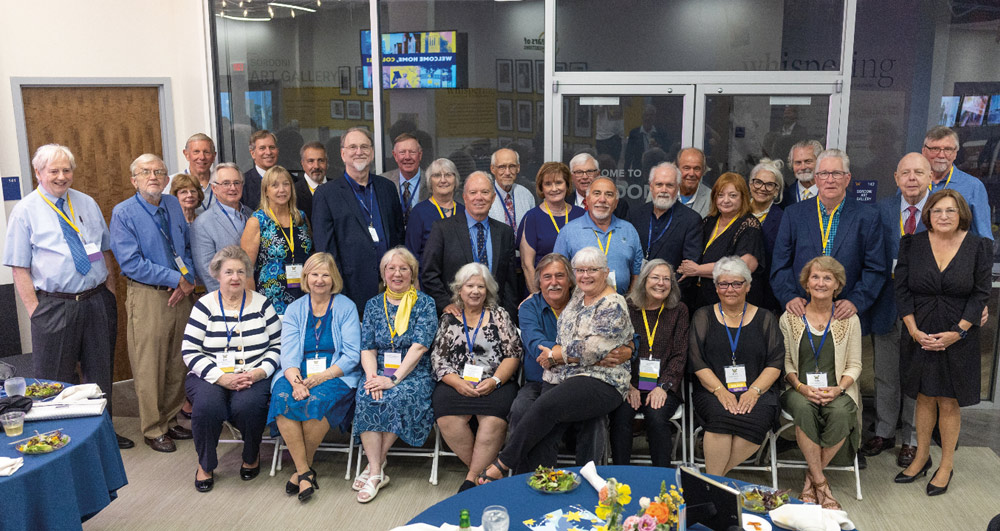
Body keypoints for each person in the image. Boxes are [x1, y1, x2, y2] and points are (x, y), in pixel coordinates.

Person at [3, 144, 133, 449]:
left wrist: (110, 295)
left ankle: (102, 435)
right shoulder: (25, 210)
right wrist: (36, 311)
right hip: (54, 305)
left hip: (96, 300)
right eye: (54, 171)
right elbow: (19, 269)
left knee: (99, 374)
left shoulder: (85, 203)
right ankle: (58, 438)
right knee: (53, 381)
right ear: (38, 173)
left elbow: (102, 252)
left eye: (67, 170)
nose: (62, 176)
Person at [478, 247, 633, 482]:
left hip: (599, 378)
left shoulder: (612, 304)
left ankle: (503, 464)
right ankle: (536, 484)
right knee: (543, 423)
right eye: (580, 270)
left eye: (593, 270)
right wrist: (570, 354)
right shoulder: (577, 297)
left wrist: (560, 354)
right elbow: (546, 345)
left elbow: (597, 346)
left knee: (547, 408)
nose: (586, 275)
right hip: (557, 375)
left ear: (606, 272)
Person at [894, 190, 990, 496]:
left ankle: (946, 464)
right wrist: (912, 329)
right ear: (928, 215)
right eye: (937, 211)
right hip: (919, 331)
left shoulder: (979, 246)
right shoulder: (912, 243)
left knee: (948, 400)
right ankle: (921, 456)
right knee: (923, 396)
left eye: (950, 210)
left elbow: (980, 293)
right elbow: (902, 290)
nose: (944, 216)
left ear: (961, 213)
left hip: (958, 335)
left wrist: (959, 332)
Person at [110, 153, 196, 452]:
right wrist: (177, 279)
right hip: (148, 295)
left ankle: (171, 419)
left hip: (181, 294)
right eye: (146, 172)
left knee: (177, 361)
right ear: (134, 179)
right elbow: (131, 263)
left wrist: (188, 279)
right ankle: (153, 428)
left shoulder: (172, 204)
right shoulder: (123, 213)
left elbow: (185, 246)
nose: (154, 176)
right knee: (149, 365)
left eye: (159, 171)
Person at [180, 246, 280, 493]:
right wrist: (221, 377)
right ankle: (206, 464)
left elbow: (278, 346)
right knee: (207, 406)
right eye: (229, 272)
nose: (235, 277)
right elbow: (189, 351)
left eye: (240, 272)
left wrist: (259, 373)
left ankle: (251, 454)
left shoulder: (262, 304)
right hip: (209, 376)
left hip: (253, 375)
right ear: (217, 275)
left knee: (247, 406)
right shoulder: (204, 306)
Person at [267, 252, 361, 502]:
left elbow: (352, 355)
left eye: (325, 275)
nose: (320, 280)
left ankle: (300, 471)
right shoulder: (295, 308)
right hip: (297, 373)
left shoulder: (346, 307)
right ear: (305, 278)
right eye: (314, 274)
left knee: (315, 402)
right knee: (284, 398)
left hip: (336, 374)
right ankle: (305, 472)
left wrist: (320, 378)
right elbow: (287, 355)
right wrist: (296, 382)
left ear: (334, 279)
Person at [352, 247, 438, 503]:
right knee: (368, 396)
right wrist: (372, 378)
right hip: (377, 370)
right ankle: (378, 467)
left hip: (413, 372)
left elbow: (420, 346)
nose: (397, 274)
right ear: (383, 273)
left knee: (397, 398)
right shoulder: (373, 304)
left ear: (412, 274)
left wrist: (393, 379)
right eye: (391, 268)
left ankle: (374, 469)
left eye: (403, 269)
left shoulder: (425, 303)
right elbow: (367, 346)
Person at [770, 149, 885, 336]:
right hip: (802, 314)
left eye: (836, 174)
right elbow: (780, 264)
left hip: (845, 316)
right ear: (816, 178)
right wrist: (789, 297)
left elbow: (875, 268)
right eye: (824, 174)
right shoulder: (794, 214)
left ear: (847, 179)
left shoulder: (867, 217)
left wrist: (855, 301)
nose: (830, 180)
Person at [430, 263, 523, 493]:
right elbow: (438, 360)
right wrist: (458, 383)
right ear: (459, 290)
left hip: (495, 382)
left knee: (493, 417)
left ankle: (471, 479)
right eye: (469, 286)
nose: (475, 291)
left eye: (480, 286)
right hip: (455, 382)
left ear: (488, 290)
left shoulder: (500, 315)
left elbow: (514, 354)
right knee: (446, 415)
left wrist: (495, 381)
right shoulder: (449, 318)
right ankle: (486, 473)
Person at [779, 256, 862, 510]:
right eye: (815, 277)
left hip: (838, 389)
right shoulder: (790, 317)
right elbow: (785, 364)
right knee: (804, 408)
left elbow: (855, 365)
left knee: (841, 411)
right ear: (806, 283)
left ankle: (811, 479)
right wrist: (802, 387)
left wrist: (839, 388)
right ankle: (822, 485)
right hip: (798, 389)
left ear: (838, 285)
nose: (821, 283)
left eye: (828, 278)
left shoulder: (849, 319)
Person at [689, 257, 783, 476]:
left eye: (737, 283)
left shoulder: (766, 318)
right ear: (716, 287)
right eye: (723, 284)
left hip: (759, 391)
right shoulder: (703, 316)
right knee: (720, 418)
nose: (730, 289)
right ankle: (714, 483)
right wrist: (720, 391)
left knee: (754, 420)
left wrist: (754, 391)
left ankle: (711, 481)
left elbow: (775, 362)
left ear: (748, 286)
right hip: (713, 390)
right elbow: (697, 361)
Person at [865, 153, 931, 467]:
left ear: (930, 176)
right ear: (896, 177)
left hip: (926, 311)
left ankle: (912, 438)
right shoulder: (881, 210)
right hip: (887, 305)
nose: (912, 178)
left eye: (919, 172)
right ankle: (885, 430)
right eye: (905, 172)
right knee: (886, 374)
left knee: (915, 377)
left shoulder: (943, 209)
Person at [312, 127, 405, 316]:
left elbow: (398, 236)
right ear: (342, 154)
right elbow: (326, 250)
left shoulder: (387, 188)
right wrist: (338, 293)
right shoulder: (326, 194)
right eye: (352, 147)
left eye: (364, 146)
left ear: (372, 153)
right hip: (350, 290)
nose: (359, 152)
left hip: (390, 288)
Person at [609, 259, 688, 467]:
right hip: (629, 384)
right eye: (655, 278)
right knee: (621, 416)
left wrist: (663, 387)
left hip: (664, 385)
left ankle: (662, 477)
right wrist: (628, 385)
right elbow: (615, 350)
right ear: (644, 281)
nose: (661, 283)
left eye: (666, 279)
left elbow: (680, 355)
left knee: (656, 416)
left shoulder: (679, 310)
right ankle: (620, 474)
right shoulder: (626, 307)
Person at [421, 171, 518, 318]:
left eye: (485, 192)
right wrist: (445, 303)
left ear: (493, 198)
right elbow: (429, 273)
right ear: (465, 197)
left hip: (495, 318)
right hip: (456, 317)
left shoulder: (505, 232)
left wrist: (508, 316)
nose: (479, 197)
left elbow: (511, 282)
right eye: (473, 192)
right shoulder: (443, 229)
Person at [677, 172, 766, 309]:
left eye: (732, 195)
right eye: (720, 195)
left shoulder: (749, 225)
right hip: (701, 299)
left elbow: (744, 267)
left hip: (733, 302)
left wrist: (698, 270)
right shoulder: (709, 221)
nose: (726, 200)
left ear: (743, 197)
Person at [241, 165, 312, 315]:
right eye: (275, 185)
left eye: (286, 184)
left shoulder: (301, 217)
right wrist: (252, 306)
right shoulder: (257, 221)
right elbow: (246, 269)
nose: (282, 190)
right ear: (266, 191)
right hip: (270, 298)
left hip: (304, 293)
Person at [553, 177, 643, 296]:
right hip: (580, 308)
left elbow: (636, 272)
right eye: (597, 193)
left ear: (616, 203)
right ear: (587, 200)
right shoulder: (568, 232)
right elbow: (558, 272)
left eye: (609, 195)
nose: (602, 199)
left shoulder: (629, 230)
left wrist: (630, 301)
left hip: (621, 305)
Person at [518, 162, 586, 292]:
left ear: (567, 185)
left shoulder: (581, 215)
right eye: (548, 184)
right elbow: (527, 265)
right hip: (544, 290)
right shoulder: (532, 217)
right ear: (541, 188)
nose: (554, 189)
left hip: (577, 291)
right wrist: (540, 299)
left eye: (559, 182)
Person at [626, 161, 703, 271]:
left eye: (669, 185)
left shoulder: (691, 220)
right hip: (636, 285)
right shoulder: (635, 215)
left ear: (677, 188)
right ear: (651, 186)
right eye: (659, 184)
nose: (663, 190)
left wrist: (663, 286)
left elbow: (688, 269)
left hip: (671, 286)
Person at [921, 126, 993, 240]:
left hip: (956, 257)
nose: (941, 155)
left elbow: (983, 238)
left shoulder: (973, 186)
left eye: (948, 149)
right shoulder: (912, 183)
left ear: (955, 153)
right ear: (924, 151)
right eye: (935, 149)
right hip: (915, 255)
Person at [191, 163, 253, 292]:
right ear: (214, 189)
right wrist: (227, 299)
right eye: (226, 183)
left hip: (256, 292)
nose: (232, 188)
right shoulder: (203, 223)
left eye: (237, 182)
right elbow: (207, 270)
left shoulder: (252, 214)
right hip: (227, 296)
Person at [404, 158, 465, 262]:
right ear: (429, 181)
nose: (443, 180)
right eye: (437, 175)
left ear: (455, 180)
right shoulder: (419, 212)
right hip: (428, 276)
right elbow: (411, 255)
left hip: (461, 276)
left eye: (448, 175)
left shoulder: (464, 211)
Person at [748, 158, 786, 312]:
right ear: (750, 184)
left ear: (777, 190)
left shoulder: (784, 219)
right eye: (758, 182)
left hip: (768, 296)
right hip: (733, 292)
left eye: (770, 184)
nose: (762, 188)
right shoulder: (736, 212)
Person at [382, 133, 427, 230]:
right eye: (402, 152)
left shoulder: (432, 182)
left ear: (420, 155)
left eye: (412, 152)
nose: (407, 157)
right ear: (395, 155)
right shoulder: (383, 182)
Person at [167, 133, 217, 215]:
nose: (202, 157)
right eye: (196, 152)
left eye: (206, 152)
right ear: (186, 154)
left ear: (214, 156)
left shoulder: (222, 183)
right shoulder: (170, 183)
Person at [488, 148, 536, 232]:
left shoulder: (526, 195)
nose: (507, 172)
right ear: (492, 169)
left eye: (512, 166)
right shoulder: (484, 196)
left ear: (518, 168)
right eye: (502, 167)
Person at [625, 105, 669, 173]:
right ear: (642, 117)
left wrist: (658, 149)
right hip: (638, 169)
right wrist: (625, 170)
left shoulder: (661, 133)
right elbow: (629, 154)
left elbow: (666, 152)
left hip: (657, 169)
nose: (648, 118)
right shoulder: (634, 133)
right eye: (646, 115)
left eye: (651, 115)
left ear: (655, 117)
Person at [242, 130, 279, 211]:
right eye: (262, 148)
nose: (268, 152)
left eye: (272, 147)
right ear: (252, 153)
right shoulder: (243, 183)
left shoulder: (291, 180)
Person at [780, 140, 822, 209]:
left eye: (808, 161)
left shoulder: (831, 193)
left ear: (820, 162)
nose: (803, 167)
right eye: (798, 163)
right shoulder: (784, 197)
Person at [296, 141, 328, 222]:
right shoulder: (293, 192)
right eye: (311, 161)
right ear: (302, 164)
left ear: (327, 162)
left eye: (321, 160)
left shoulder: (339, 189)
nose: (316, 166)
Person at [676, 147, 711, 218]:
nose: (691, 174)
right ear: (677, 169)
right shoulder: (661, 192)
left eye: (697, 169)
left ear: (703, 171)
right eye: (686, 168)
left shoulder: (711, 198)